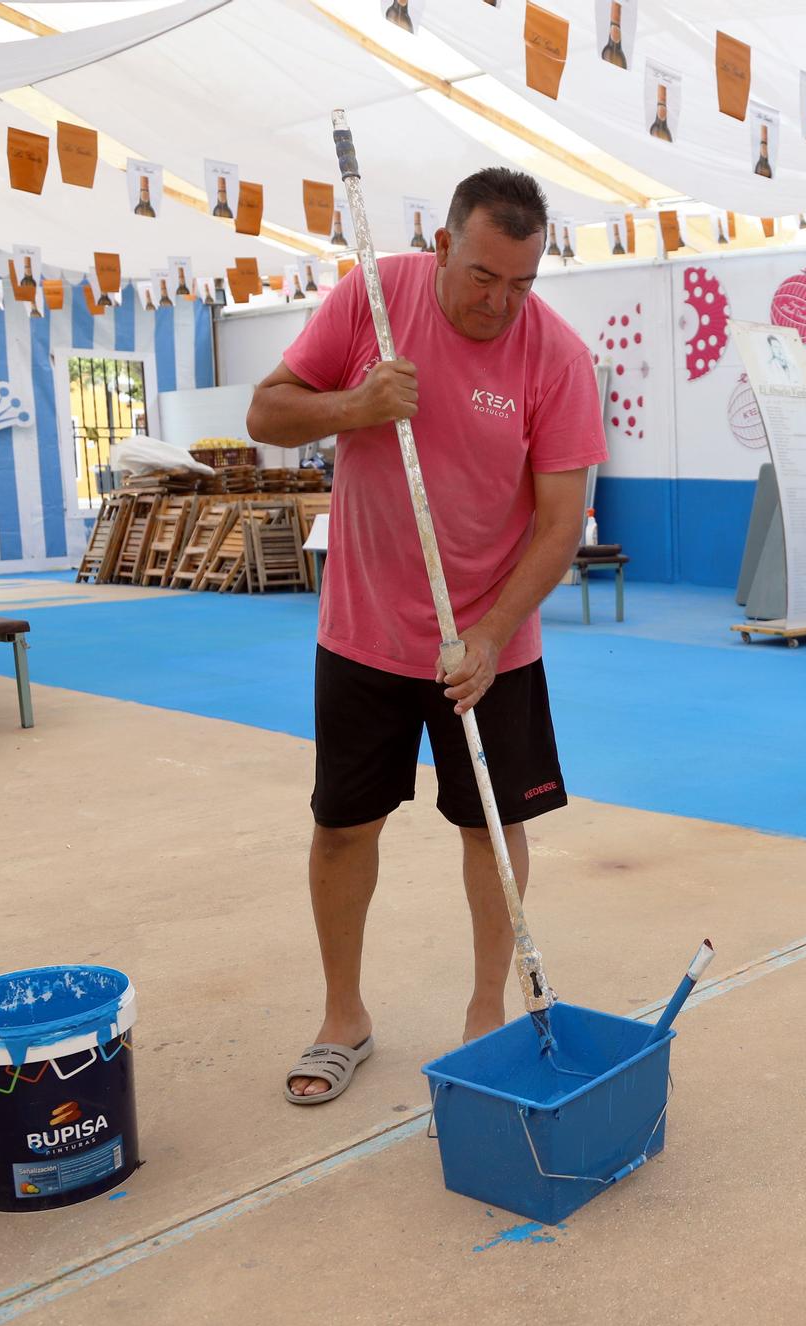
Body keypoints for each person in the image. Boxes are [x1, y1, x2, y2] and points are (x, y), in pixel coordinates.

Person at [247, 167, 606, 1107]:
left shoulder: (556, 357)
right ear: (442, 245)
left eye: (523, 282)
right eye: (485, 275)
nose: (501, 302)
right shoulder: (373, 297)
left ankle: (485, 1011)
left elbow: (562, 520)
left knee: (493, 828)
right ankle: (343, 1017)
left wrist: (490, 634)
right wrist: (353, 407)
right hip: (364, 630)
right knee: (341, 827)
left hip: (487, 644)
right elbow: (266, 411)